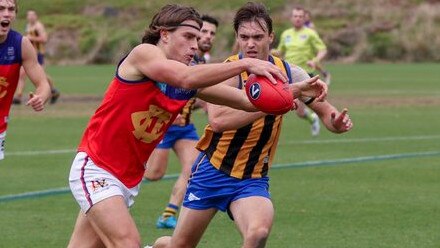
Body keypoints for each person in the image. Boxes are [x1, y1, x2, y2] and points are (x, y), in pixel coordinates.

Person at [67, 4, 325, 248]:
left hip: (127, 178)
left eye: (197, 38)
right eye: (188, 36)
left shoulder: (190, 75)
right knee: (126, 243)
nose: (195, 45)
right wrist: (246, 62)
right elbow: (184, 77)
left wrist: (293, 91)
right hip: (96, 167)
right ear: (165, 34)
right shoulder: (145, 54)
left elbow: (246, 102)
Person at [151, 2, 352, 248]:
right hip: (212, 172)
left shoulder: (290, 74)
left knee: (257, 233)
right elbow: (219, 120)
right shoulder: (227, 71)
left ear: (271, 37)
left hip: (252, 177)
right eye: (244, 37)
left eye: (257, 37)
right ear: (237, 38)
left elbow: (326, 112)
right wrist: (273, 104)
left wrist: (336, 122)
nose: (251, 44)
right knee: (178, 246)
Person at [143, 14, 219, 230]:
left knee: (194, 167)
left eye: (211, 33)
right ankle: (118, 179)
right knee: (154, 174)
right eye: (203, 32)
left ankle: (168, 214)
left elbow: (196, 93)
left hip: (184, 127)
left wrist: (204, 104)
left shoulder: (202, 62)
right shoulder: (175, 58)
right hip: (163, 127)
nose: (207, 37)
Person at [0, 0, 51, 161]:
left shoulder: (20, 44)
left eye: (11, 9)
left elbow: (43, 84)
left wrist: (41, 97)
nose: (7, 13)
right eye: (1, 9)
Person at [273, 6, 331, 136]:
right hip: (288, 74)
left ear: (304, 18)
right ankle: (313, 119)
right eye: (295, 16)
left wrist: (315, 60)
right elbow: (280, 51)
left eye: (300, 16)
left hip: (306, 76)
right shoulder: (286, 34)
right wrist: (271, 52)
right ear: (291, 18)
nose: (298, 18)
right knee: (298, 112)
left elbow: (323, 49)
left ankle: (325, 118)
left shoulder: (310, 34)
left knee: (313, 106)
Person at [12, 9, 60, 105]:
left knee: (42, 76)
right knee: (22, 74)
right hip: (29, 53)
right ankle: (18, 96)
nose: (30, 17)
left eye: (32, 15)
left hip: (38, 54)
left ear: (36, 16)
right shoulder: (28, 26)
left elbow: (44, 38)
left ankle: (53, 91)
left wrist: (31, 38)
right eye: (29, 15)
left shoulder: (38, 26)